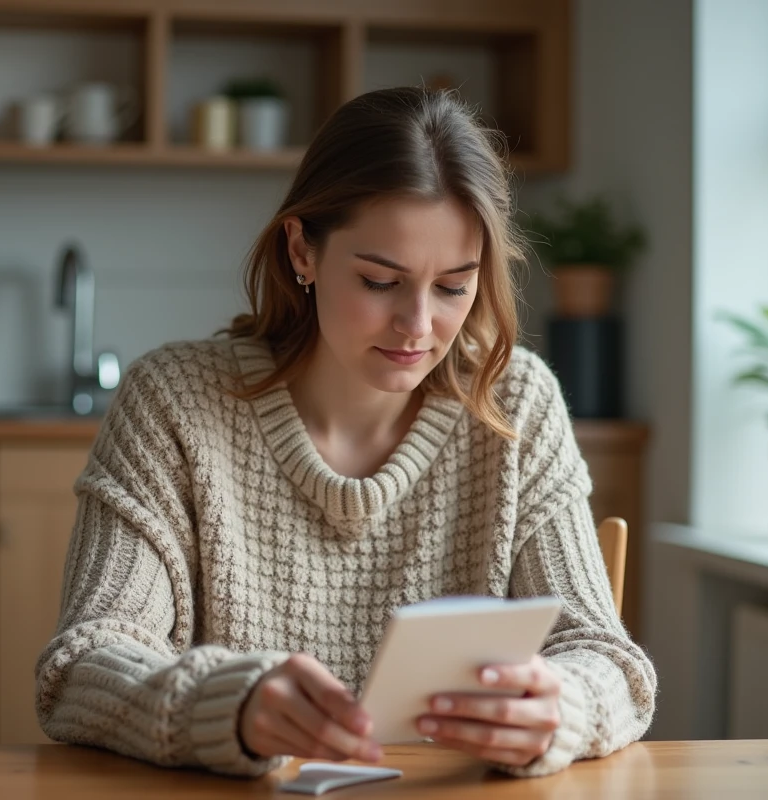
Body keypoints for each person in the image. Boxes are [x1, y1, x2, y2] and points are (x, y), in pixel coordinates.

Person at [34, 86, 656, 779]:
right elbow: (80, 668)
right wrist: (226, 706)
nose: (418, 325)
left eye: (453, 287)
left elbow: (611, 664)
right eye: (380, 281)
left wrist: (559, 709)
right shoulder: (172, 405)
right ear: (302, 250)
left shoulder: (515, 404)